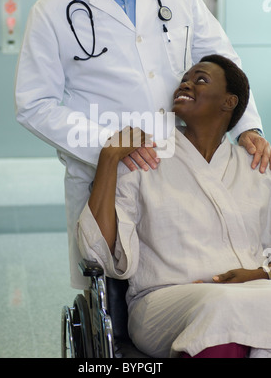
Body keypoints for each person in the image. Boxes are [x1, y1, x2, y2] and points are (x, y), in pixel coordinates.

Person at [14, 0, 271, 289]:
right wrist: (110, 147)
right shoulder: (52, 11)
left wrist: (245, 124)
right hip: (109, 172)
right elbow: (34, 104)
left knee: (200, 258)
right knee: (119, 277)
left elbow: (220, 56)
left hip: (185, 159)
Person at [77, 55, 271, 358]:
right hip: (162, 302)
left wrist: (262, 273)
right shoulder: (144, 160)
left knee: (240, 305)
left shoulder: (255, 167)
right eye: (185, 79)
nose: (186, 84)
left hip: (251, 294)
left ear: (229, 102)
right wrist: (109, 158)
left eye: (201, 79)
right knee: (223, 304)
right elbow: (97, 254)